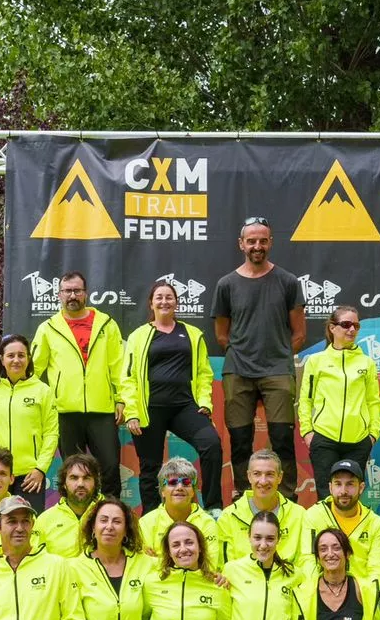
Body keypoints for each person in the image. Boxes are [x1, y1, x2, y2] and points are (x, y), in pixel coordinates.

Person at [213, 217, 305, 501]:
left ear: (271, 243)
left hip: (277, 370)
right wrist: (246, 355)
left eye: (262, 240)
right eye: (251, 240)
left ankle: (286, 498)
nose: (257, 246)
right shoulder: (226, 284)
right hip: (238, 371)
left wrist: (274, 357)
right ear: (241, 244)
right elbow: (221, 335)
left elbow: (299, 333)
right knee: (240, 441)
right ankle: (243, 497)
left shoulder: (288, 282)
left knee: (282, 440)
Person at [124, 280, 223, 510]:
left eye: (169, 297)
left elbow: (203, 373)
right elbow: (128, 377)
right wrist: (132, 412)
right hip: (150, 410)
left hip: (184, 407)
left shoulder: (193, 334)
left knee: (211, 445)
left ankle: (213, 507)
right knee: (150, 467)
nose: (164, 301)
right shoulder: (138, 336)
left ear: (176, 302)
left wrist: (205, 403)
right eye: (159, 297)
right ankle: (150, 517)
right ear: (151, 303)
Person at [31, 271, 127, 496]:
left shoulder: (107, 325)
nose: (72, 295)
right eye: (67, 291)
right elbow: (33, 370)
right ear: (59, 295)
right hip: (64, 411)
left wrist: (122, 399)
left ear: (86, 294)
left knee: (110, 468)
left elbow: (119, 367)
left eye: (77, 291)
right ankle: (76, 520)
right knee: (73, 473)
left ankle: (111, 515)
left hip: (102, 410)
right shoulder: (48, 328)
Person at [299, 305, 380, 484]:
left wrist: (373, 434)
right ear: (332, 328)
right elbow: (306, 399)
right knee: (326, 494)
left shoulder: (367, 363)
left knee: (351, 496)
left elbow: (373, 401)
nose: (352, 329)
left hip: (359, 441)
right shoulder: (316, 361)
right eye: (346, 324)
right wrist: (307, 432)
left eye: (356, 326)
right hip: (324, 438)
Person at [0, 334, 59, 498]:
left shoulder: (43, 391)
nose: (16, 360)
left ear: (28, 358)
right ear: (1, 358)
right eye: (10, 355)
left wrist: (40, 468)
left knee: (28, 523)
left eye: (21, 355)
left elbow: (51, 433)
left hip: (30, 475)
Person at [297, 459, 380, 576]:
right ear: (330, 488)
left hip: (362, 591)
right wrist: (322, 590)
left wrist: (357, 591)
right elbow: (308, 561)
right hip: (322, 589)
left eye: (350, 484)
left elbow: (377, 570)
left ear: (361, 488)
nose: (343, 491)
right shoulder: (313, 515)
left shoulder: (376, 522)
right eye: (338, 484)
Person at [213, 449, 300, 568]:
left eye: (270, 474)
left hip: (288, 584)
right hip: (241, 585)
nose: (263, 481)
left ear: (280, 477)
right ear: (248, 476)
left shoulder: (299, 515)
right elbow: (224, 567)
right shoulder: (229, 516)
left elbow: (306, 562)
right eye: (257, 474)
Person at [138, 457, 222, 571]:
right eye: (172, 483)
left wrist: (160, 560)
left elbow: (209, 565)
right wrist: (190, 561)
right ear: (162, 491)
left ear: (193, 491)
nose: (180, 487)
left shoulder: (207, 522)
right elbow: (143, 567)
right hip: (158, 588)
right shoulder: (146, 523)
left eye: (186, 482)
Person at [35, 452, 101, 558]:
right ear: (64, 484)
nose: (80, 484)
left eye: (87, 478)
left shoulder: (108, 516)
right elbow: (35, 560)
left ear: (96, 482)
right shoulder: (44, 520)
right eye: (74, 478)